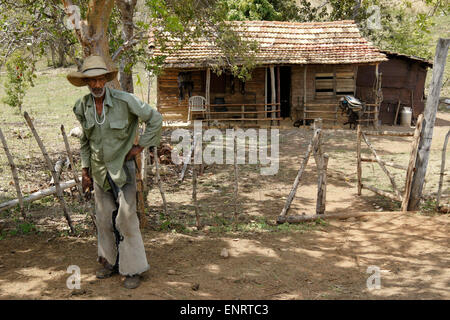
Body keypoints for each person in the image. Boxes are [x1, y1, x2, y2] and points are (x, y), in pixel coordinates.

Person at [67, 55, 162, 289]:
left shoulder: (125, 101)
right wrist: (85, 170)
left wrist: (140, 147)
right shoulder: (82, 106)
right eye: (92, 81)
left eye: (100, 80)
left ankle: (133, 269)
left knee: (127, 218)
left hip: (123, 169)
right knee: (103, 218)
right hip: (99, 171)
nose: (97, 85)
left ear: (106, 80)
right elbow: (86, 142)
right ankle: (109, 262)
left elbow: (155, 118)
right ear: (86, 83)